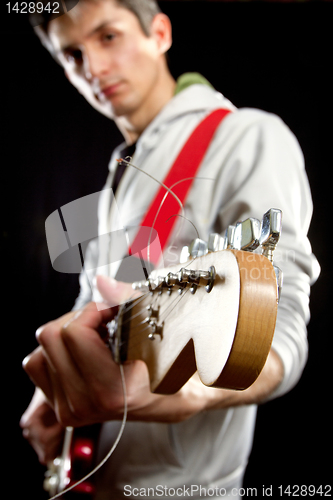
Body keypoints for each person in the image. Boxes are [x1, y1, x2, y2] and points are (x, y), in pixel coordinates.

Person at [20, 0, 319, 498]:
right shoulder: (122, 172)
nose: (92, 67)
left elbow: (280, 330)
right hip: (94, 472)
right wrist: (51, 391)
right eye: (72, 55)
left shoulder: (249, 137)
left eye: (107, 37)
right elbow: (97, 307)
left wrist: (195, 390)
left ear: (159, 32)